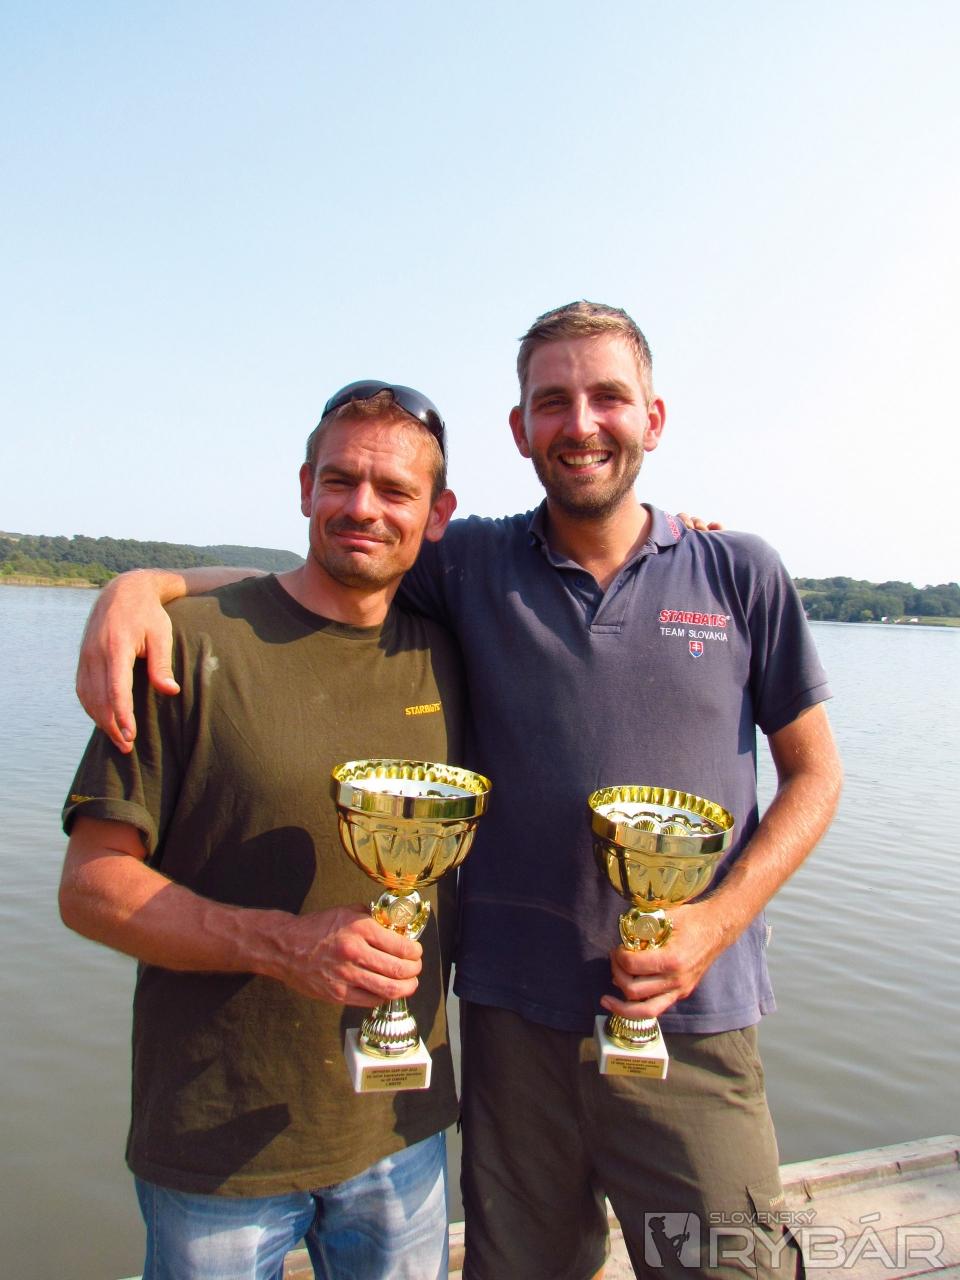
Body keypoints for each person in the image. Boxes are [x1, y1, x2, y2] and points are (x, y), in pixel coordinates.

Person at [76, 302, 843, 1280]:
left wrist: (712, 925)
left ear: (653, 419)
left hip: (693, 1013)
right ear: (520, 428)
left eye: (608, 397)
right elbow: (333, 565)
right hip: (511, 1026)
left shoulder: (740, 572)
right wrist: (144, 586)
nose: (581, 422)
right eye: (552, 400)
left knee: (732, 1264)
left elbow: (816, 774)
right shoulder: (472, 563)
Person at [60, 382, 464, 1280]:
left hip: (402, 1133)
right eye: (340, 480)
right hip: (215, 1147)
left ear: (437, 515)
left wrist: (682, 538)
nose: (363, 507)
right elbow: (89, 886)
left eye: (395, 490)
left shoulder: (454, 653)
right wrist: (279, 944)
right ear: (304, 487)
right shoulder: (187, 644)